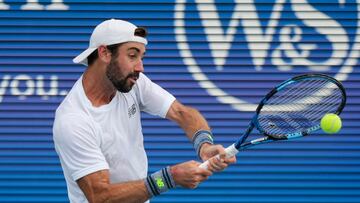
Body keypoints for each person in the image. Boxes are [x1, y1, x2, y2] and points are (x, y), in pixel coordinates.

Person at [53, 18, 236, 203]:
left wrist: (204, 145)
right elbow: (101, 197)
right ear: (105, 53)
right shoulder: (73, 120)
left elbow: (181, 113)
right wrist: (169, 178)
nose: (140, 67)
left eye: (141, 57)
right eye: (132, 56)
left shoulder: (133, 82)